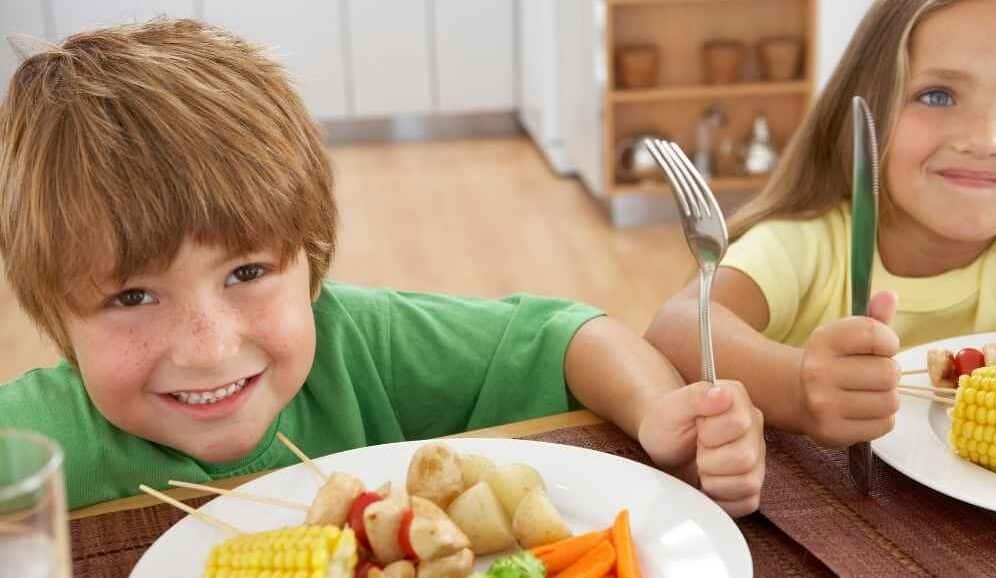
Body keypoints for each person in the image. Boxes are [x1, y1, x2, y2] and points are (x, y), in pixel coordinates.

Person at [0, 19, 765, 515]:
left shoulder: (358, 341)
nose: (207, 347)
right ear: (55, 318)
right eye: (133, 295)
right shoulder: (30, 441)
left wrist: (660, 414)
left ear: (312, 263)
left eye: (245, 274)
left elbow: (566, 335)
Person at [646, 0, 996, 449]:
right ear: (865, 114)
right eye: (937, 95)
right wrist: (796, 386)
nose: (984, 139)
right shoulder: (811, 246)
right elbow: (676, 325)